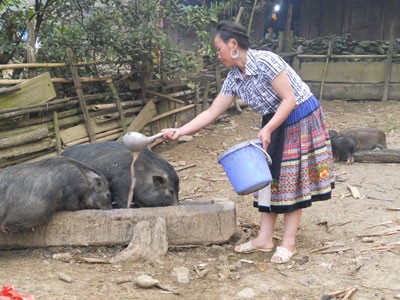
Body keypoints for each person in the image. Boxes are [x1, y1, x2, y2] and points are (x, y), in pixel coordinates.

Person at [163, 21, 334, 264]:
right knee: (266, 177)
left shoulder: (266, 61)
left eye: (218, 48)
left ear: (233, 45)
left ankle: (289, 242)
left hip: (300, 115)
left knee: (290, 179)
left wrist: (269, 127)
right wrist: (179, 131)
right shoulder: (234, 78)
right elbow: (211, 112)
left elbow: (289, 99)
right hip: (274, 119)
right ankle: (264, 238)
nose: (218, 55)